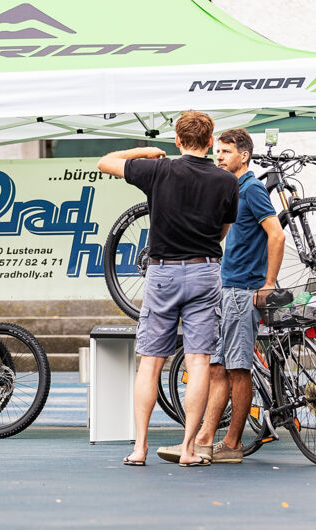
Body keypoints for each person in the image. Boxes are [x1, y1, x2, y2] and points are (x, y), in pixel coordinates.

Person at [97, 111, 238, 467]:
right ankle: (189, 448)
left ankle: (140, 447)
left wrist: (143, 151)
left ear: (177, 140)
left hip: (162, 273)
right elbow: (223, 230)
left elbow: (105, 162)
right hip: (205, 272)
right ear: (210, 142)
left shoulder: (159, 170)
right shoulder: (226, 181)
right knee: (199, 361)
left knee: (150, 362)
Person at [179, 128, 285, 463]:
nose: (219, 156)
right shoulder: (232, 189)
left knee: (238, 370)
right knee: (218, 368)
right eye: (218, 151)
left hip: (243, 291)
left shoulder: (252, 189)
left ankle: (233, 444)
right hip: (229, 288)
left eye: (226, 151)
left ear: (244, 156)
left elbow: (277, 236)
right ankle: (208, 439)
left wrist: (268, 284)